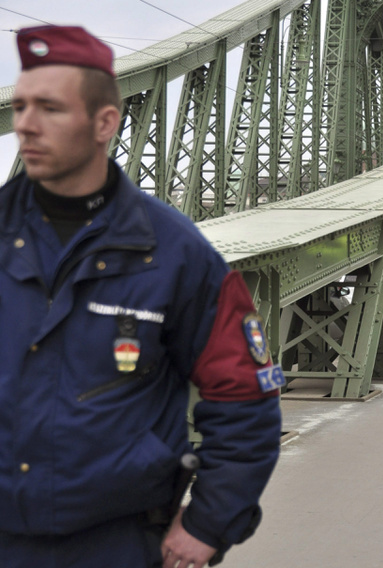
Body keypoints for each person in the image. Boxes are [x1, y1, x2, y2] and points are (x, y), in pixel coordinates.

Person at [2, 25, 282, 568]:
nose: (26, 126)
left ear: (105, 122)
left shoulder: (175, 253)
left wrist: (208, 523)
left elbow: (245, 398)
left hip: (114, 542)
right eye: (19, 107)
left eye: (50, 109)